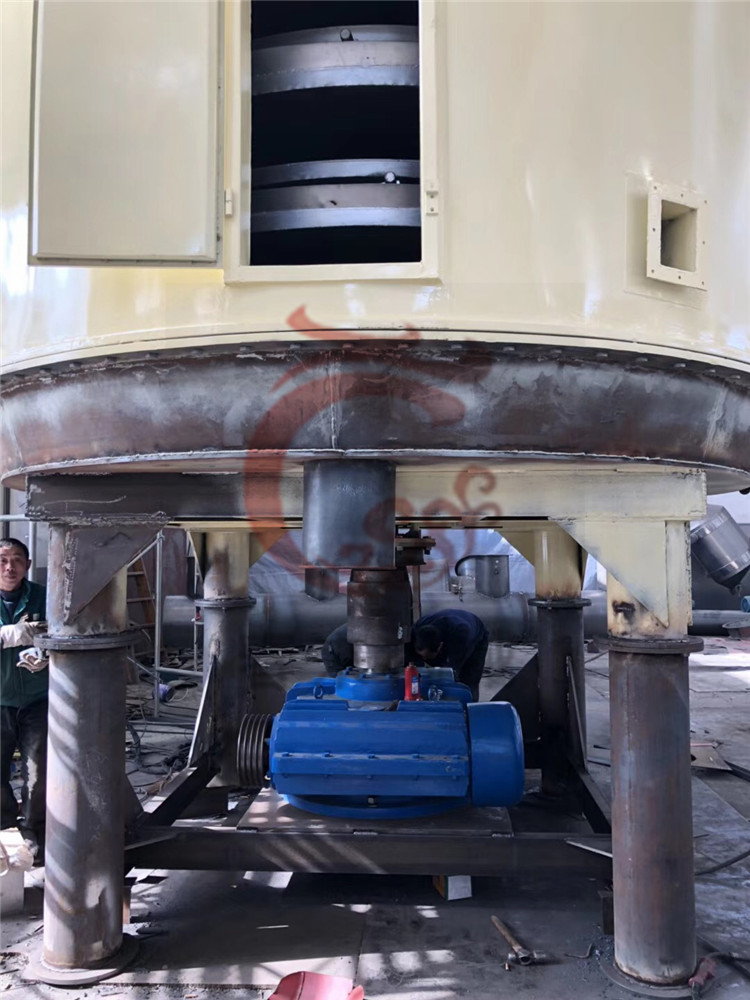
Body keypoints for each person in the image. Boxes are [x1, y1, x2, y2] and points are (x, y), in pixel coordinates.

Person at [0, 538, 48, 858]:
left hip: (36, 699)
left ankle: (32, 832)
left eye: (17, 559)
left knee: (37, 772)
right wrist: (10, 634)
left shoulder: (44, 596)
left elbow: (63, 631)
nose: (10, 567)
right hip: (0, 700)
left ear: (28, 565)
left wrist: (46, 651)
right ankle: (5, 830)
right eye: (3, 560)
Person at [412, 609, 489, 701]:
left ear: (440, 647)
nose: (424, 658)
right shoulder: (417, 628)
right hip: (451, 624)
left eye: (427, 656)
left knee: (467, 680)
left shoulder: (461, 637)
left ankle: (468, 705)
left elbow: (452, 672)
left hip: (476, 636)